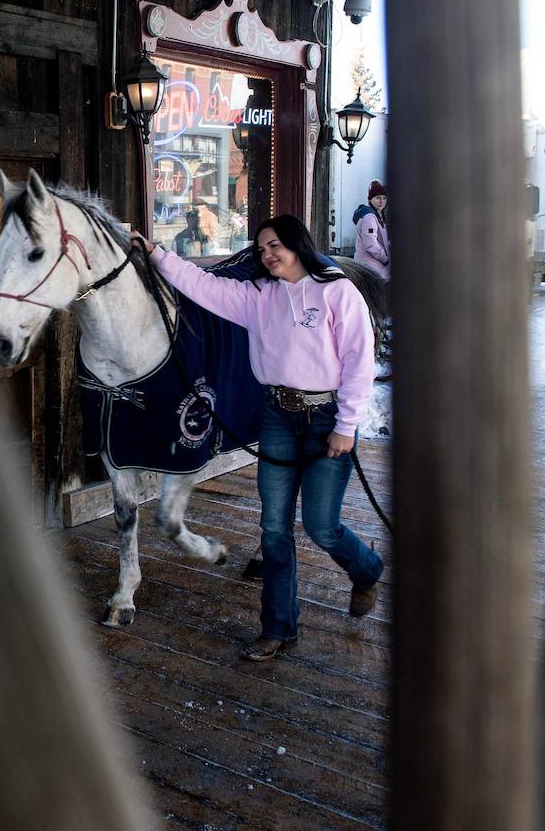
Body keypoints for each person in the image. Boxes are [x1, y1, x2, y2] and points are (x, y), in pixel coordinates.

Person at [148, 215, 382, 661]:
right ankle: (277, 627)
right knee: (274, 528)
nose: (268, 254)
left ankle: (367, 569)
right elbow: (203, 286)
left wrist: (346, 426)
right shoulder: (258, 296)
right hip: (278, 416)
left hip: (327, 416)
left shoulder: (336, 291)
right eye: (261, 249)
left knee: (320, 525)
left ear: (298, 245)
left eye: (275, 245)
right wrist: (157, 253)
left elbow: (359, 362)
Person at [352, 180, 390, 280]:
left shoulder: (377, 216)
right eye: (378, 198)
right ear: (370, 199)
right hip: (369, 265)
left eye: (384, 198)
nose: (382, 201)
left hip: (374, 263)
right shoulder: (369, 217)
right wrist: (385, 259)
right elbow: (370, 244)